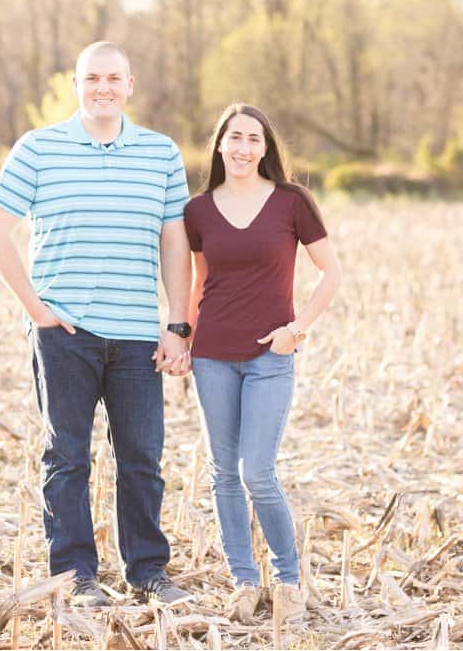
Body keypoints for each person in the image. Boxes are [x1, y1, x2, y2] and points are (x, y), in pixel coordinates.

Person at [0, 41, 194, 607]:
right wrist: (37, 311)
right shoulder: (38, 149)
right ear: (75, 84)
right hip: (63, 334)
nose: (103, 87)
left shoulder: (161, 153)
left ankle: (148, 571)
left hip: (136, 335)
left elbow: (174, 240)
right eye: (92, 77)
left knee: (143, 458)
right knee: (67, 457)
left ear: (130, 85)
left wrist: (178, 324)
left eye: (113, 78)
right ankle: (76, 577)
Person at [182, 103, 342, 623]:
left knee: (258, 472)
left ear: (266, 147)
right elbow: (199, 283)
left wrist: (297, 330)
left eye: (254, 139)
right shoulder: (199, 210)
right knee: (223, 474)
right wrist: (182, 337)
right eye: (235, 138)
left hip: (270, 357)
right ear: (221, 145)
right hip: (211, 355)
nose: (245, 147)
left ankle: (289, 580)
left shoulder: (291, 202)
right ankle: (244, 582)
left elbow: (331, 273)